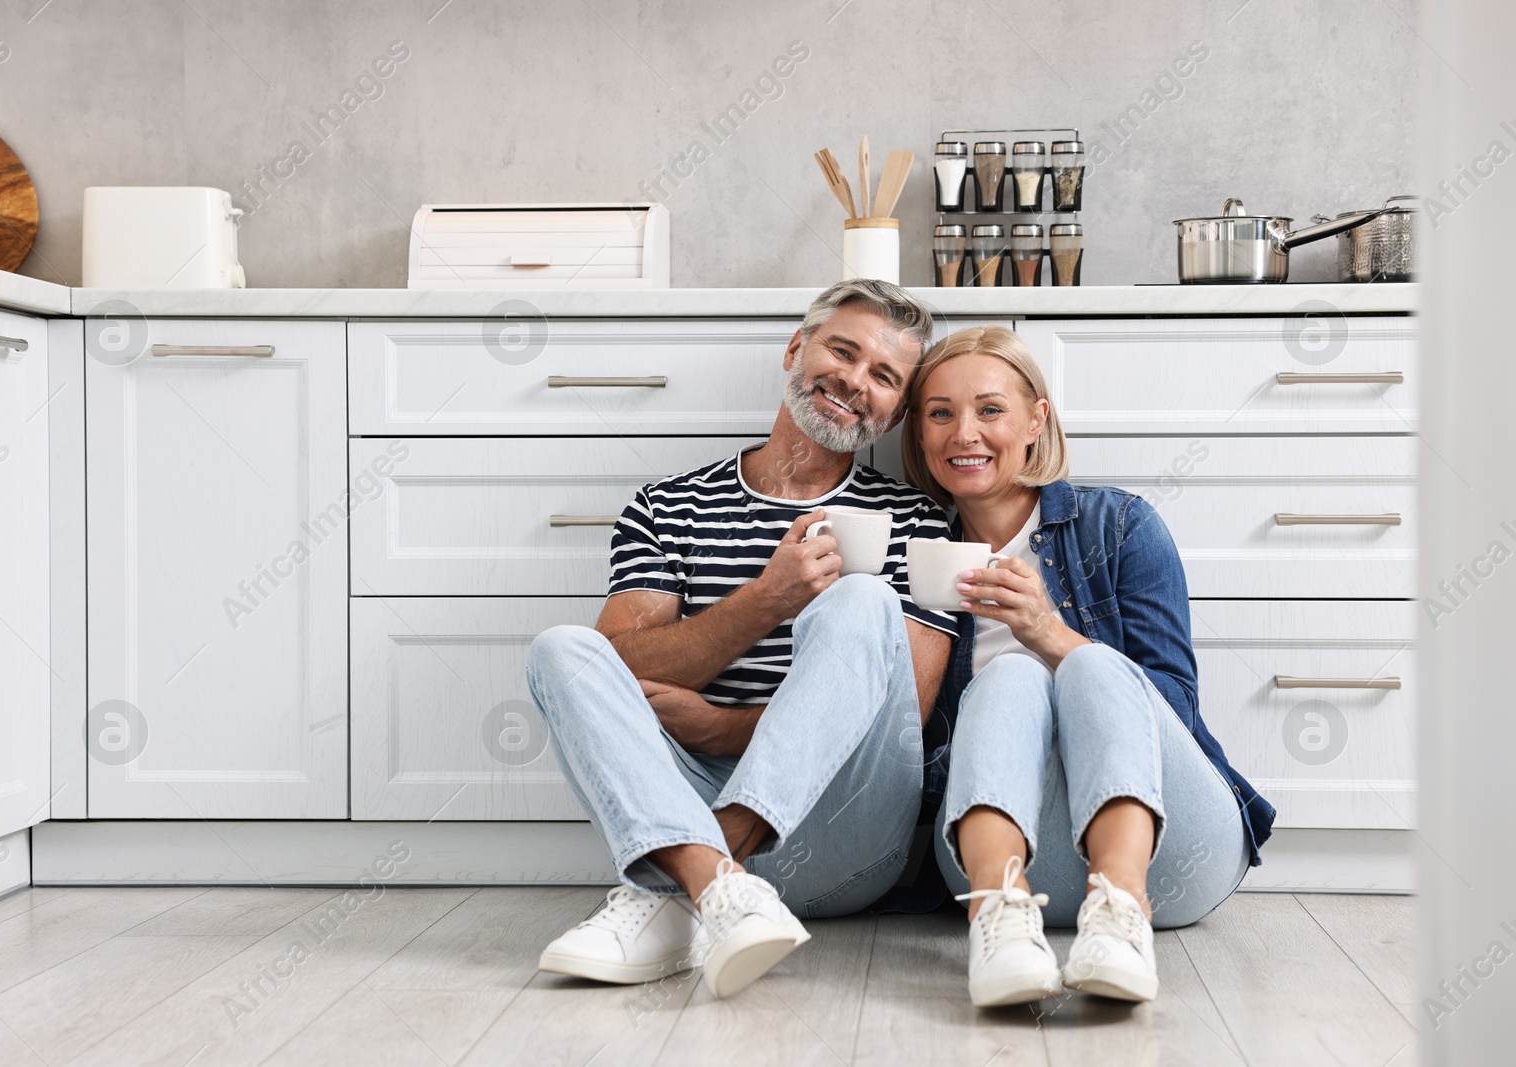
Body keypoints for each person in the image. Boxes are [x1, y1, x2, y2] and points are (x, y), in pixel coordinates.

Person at [526, 280, 957, 998]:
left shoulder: (915, 521)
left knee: (860, 596)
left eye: (884, 376)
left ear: (894, 413)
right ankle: (720, 889)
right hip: (682, 799)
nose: (854, 380)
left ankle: (676, 886)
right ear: (796, 349)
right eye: (842, 351)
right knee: (559, 650)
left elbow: (901, 708)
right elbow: (614, 663)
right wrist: (767, 600)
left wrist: (726, 729)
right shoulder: (667, 507)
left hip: (845, 830)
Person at [900, 325, 1274, 1007]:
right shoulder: (915, 551)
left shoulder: (1121, 525)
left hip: (1174, 854)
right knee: (1008, 678)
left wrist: (1048, 633)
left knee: (1090, 667)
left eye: (990, 409)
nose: (964, 434)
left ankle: (1123, 908)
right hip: (996, 860)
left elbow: (1173, 707)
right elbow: (903, 752)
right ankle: (1001, 924)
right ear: (920, 434)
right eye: (940, 412)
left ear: (1036, 420)